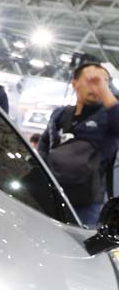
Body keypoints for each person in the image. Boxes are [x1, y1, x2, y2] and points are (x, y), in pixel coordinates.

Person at [38, 62, 119, 226]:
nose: (96, 87)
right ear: (75, 83)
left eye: (103, 82)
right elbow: (44, 145)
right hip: (50, 192)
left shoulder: (108, 116)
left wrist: (105, 92)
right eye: (91, 81)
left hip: (85, 203)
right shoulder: (60, 113)